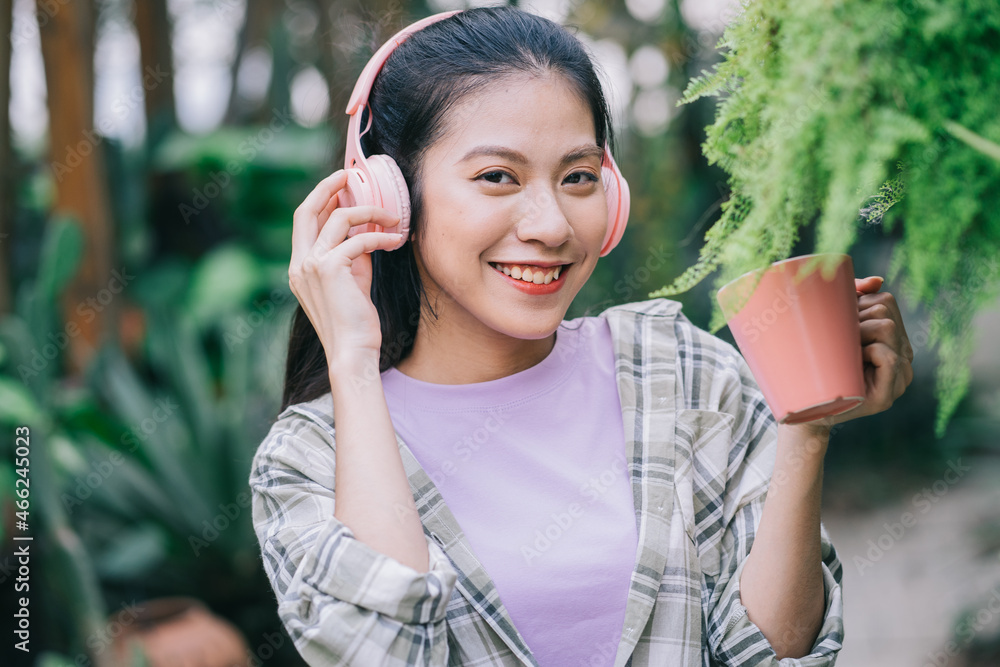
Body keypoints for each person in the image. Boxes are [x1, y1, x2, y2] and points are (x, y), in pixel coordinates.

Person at [249, 6, 914, 666]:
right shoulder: (311, 457)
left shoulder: (684, 372)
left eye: (578, 177)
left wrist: (807, 426)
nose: (551, 225)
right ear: (388, 197)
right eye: (498, 177)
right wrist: (353, 363)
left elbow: (772, 653)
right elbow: (384, 653)